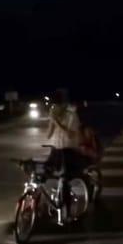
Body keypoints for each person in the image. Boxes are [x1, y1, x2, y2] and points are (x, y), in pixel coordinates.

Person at [46, 90, 83, 222]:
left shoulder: (72, 116)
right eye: (53, 106)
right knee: (43, 173)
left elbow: (71, 135)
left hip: (68, 151)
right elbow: (48, 135)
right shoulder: (55, 115)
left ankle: (67, 213)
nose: (55, 108)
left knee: (65, 180)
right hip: (56, 150)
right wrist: (51, 123)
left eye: (57, 105)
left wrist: (57, 123)